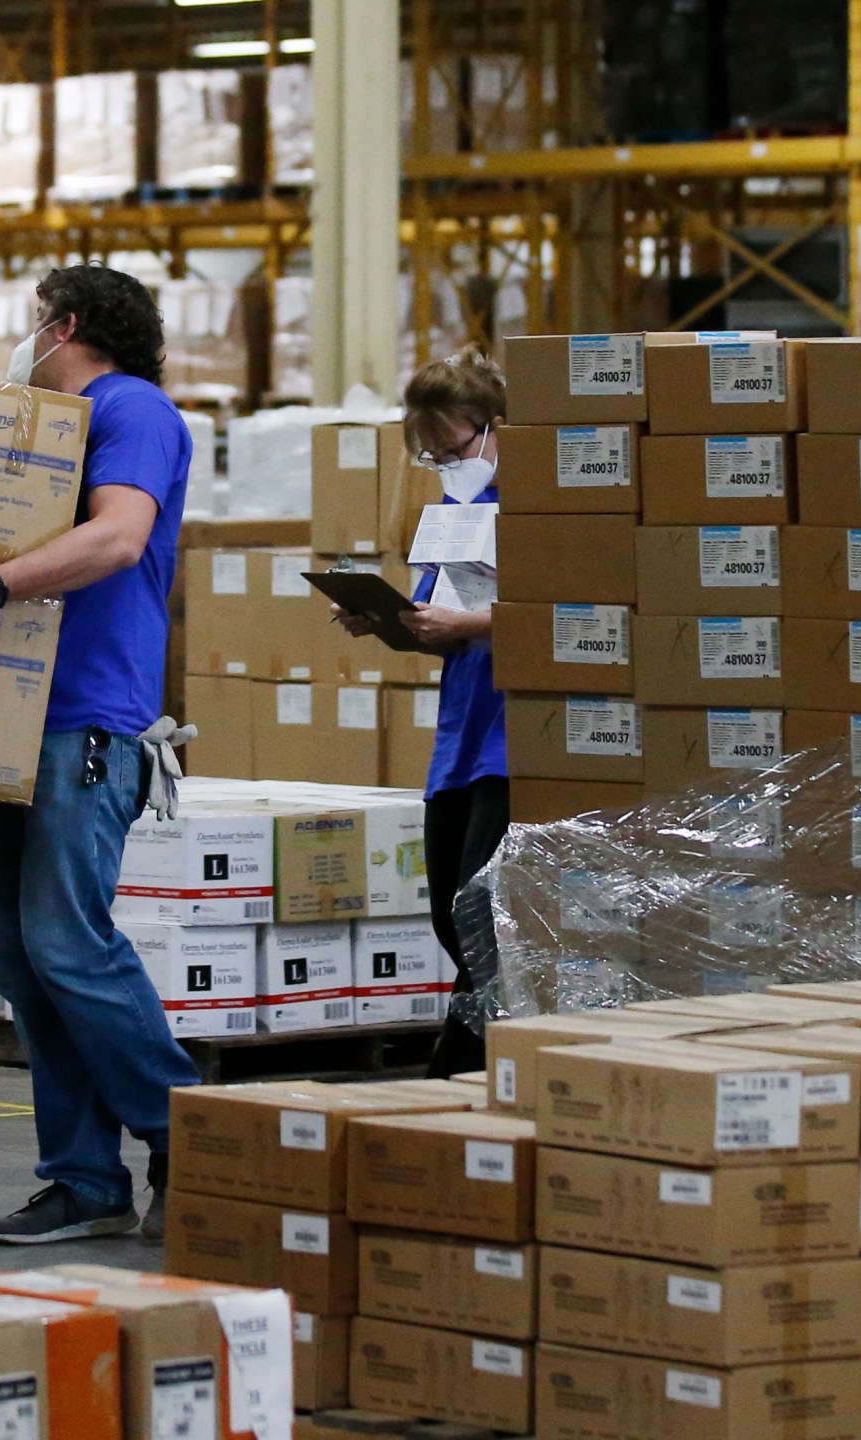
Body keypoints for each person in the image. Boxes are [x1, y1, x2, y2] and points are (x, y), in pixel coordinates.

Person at [0, 264, 199, 1245]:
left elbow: (116, 539)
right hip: (11, 717)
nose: (25, 341)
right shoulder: (33, 439)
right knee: (25, 963)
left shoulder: (132, 410)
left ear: (66, 326)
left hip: (86, 721)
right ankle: (85, 1180)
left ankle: (192, 1137)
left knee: (68, 943)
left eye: (35, 324)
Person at [336, 349, 509, 1078]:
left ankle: (471, 1058)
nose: (446, 464)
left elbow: (573, 615)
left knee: (480, 910)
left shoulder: (545, 504)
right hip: (460, 737)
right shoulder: (447, 515)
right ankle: (475, 1048)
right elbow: (438, 624)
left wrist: (469, 627)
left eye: (454, 448)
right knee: (446, 908)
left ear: (496, 427)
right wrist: (389, 623)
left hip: (512, 736)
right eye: (432, 456)